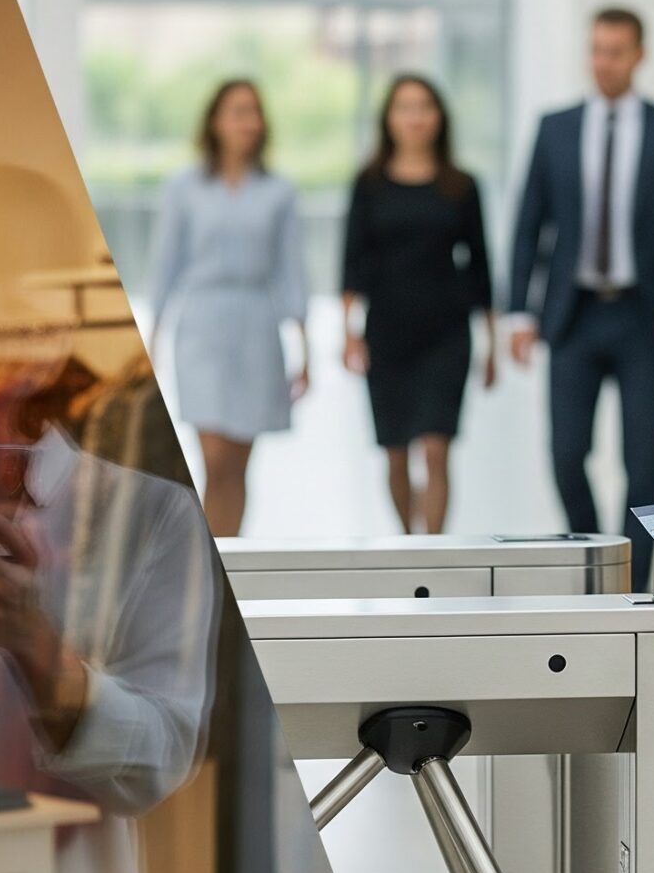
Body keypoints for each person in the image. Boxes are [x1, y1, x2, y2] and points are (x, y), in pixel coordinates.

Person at [506, 7, 654, 590]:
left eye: (616, 51)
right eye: (596, 49)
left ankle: (638, 586)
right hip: (571, 316)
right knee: (565, 455)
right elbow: (528, 225)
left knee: (643, 465)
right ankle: (593, 569)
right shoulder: (555, 128)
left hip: (645, 318)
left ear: (639, 56)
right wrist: (519, 310)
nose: (603, 62)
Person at [145, 78, 310, 538]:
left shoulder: (279, 191)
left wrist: (304, 345)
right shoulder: (183, 187)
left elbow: (291, 269)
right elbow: (164, 265)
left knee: (237, 465)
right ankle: (205, 556)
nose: (247, 122)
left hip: (256, 324)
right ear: (215, 121)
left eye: (254, 112)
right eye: (237, 111)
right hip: (202, 323)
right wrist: (153, 336)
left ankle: (227, 554)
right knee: (214, 459)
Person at [341, 73, 496, 533]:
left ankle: (434, 548)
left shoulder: (461, 185)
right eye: (404, 107)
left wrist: (491, 341)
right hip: (387, 330)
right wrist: (348, 332)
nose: (415, 117)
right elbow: (352, 260)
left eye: (424, 107)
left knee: (435, 447)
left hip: (446, 331)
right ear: (388, 119)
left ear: (439, 118)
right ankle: (407, 541)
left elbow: (481, 264)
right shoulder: (368, 184)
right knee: (395, 451)